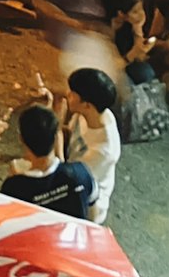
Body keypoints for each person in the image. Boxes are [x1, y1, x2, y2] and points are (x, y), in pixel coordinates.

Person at [0, 103, 95, 214]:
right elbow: (93, 214)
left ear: (21, 139)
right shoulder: (80, 173)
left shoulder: (13, 187)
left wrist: (16, 177)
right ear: (57, 137)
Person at [54, 64, 126, 218]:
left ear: (87, 104)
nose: (68, 95)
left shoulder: (103, 150)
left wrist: (56, 129)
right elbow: (69, 135)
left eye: (73, 94)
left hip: (84, 202)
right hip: (72, 172)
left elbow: (65, 177)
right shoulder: (90, 114)